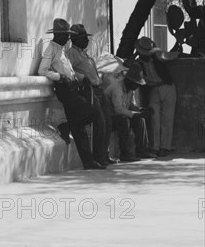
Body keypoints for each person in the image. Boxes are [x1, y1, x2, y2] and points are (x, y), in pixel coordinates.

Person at [38, 18, 107, 170]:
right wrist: (59, 77)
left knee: (78, 126)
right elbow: (42, 70)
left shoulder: (61, 49)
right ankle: (67, 126)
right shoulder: (51, 49)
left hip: (73, 88)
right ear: (56, 35)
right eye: (64, 35)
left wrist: (79, 79)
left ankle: (88, 161)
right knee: (95, 114)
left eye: (68, 35)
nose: (67, 38)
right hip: (65, 89)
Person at [66, 24, 116, 165]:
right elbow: (68, 71)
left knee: (107, 122)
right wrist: (82, 77)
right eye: (83, 38)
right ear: (75, 39)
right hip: (90, 90)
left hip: (99, 88)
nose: (87, 41)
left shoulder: (84, 53)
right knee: (99, 123)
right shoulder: (71, 54)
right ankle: (98, 157)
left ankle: (104, 155)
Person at [134, 37, 178, 157]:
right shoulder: (137, 63)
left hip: (167, 87)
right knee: (155, 118)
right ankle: (155, 147)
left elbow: (174, 55)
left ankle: (165, 147)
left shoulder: (158, 57)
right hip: (153, 90)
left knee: (167, 119)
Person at [104, 62, 157, 162]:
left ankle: (142, 150)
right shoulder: (117, 89)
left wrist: (142, 110)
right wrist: (134, 115)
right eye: (136, 84)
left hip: (119, 115)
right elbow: (118, 109)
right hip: (109, 117)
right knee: (124, 121)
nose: (137, 87)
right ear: (129, 81)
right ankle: (125, 154)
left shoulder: (130, 89)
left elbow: (131, 106)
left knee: (141, 120)